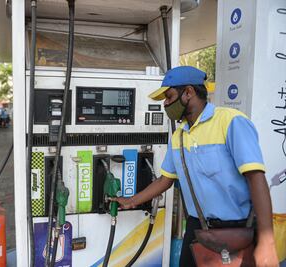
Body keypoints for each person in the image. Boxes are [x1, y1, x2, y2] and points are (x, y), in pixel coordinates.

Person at [114, 66, 279, 266]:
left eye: (169, 96)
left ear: (189, 92)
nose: (166, 104)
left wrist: (267, 241)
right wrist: (131, 201)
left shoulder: (230, 121)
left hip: (237, 230)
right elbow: (165, 179)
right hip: (197, 228)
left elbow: (256, 178)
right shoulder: (179, 136)